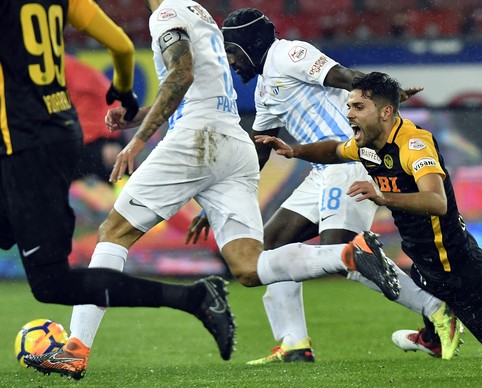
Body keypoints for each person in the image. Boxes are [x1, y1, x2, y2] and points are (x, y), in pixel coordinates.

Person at [23, 0, 399, 380]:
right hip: (233, 143)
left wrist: (138, 140)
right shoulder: (200, 14)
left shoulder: (166, 15)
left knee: (114, 233)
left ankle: (75, 349)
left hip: (196, 139)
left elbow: (181, 75)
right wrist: (136, 114)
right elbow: (194, 84)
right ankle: (347, 256)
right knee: (248, 267)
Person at [187, 7, 460, 364]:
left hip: (349, 162)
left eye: (234, 52)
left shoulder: (290, 54)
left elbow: (348, 78)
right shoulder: (263, 91)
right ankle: (294, 343)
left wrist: (385, 97)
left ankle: (438, 310)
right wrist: (223, 201)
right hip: (322, 172)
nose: (232, 62)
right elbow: (259, 154)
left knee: (342, 252)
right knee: (269, 249)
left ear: (250, 45)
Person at [256, 71, 482, 357]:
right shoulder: (368, 143)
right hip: (425, 266)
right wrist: (293, 151)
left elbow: (436, 201)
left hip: (458, 271)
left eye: (358, 107)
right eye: (349, 106)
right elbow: (333, 150)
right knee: (414, 290)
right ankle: (432, 338)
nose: (349, 114)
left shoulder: (414, 145)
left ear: (385, 112)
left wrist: (384, 197)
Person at [1, 0, 234, 381]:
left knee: (51, 282)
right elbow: (123, 47)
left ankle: (194, 298)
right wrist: (124, 92)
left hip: (25, 144)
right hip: (60, 136)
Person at [65, 54, 127, 184]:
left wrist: (108, 139)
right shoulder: (74, 67)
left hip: (96, 139)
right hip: (105, 135)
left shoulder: (60, 69)